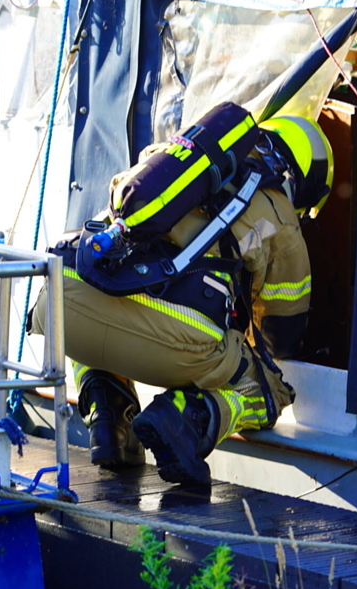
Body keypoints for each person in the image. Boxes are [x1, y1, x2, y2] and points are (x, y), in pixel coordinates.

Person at [30, 104, 333, 486]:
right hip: (169, 338)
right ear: (303, 179)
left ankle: (110, 421)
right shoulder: (279, 212)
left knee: (111, 299)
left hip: (61, 302)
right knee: (267, 387)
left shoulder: (169, 160)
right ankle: (184, 419)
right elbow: (280, 335)